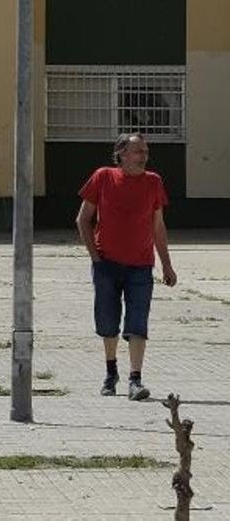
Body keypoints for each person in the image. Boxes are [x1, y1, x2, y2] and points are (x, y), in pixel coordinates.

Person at [76, 133, 177, 402]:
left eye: (145, 151)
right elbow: (83, 219)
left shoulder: (153, 182)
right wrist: (95, 257)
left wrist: (166, 264)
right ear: (121, 153)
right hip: (107, 263)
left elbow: (158, 226)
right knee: (108, 321)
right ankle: (111, 374)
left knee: (137, 322)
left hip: (141, 265)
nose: (144, 156)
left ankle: (135, 379)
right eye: (138, 151)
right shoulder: (103, 177)